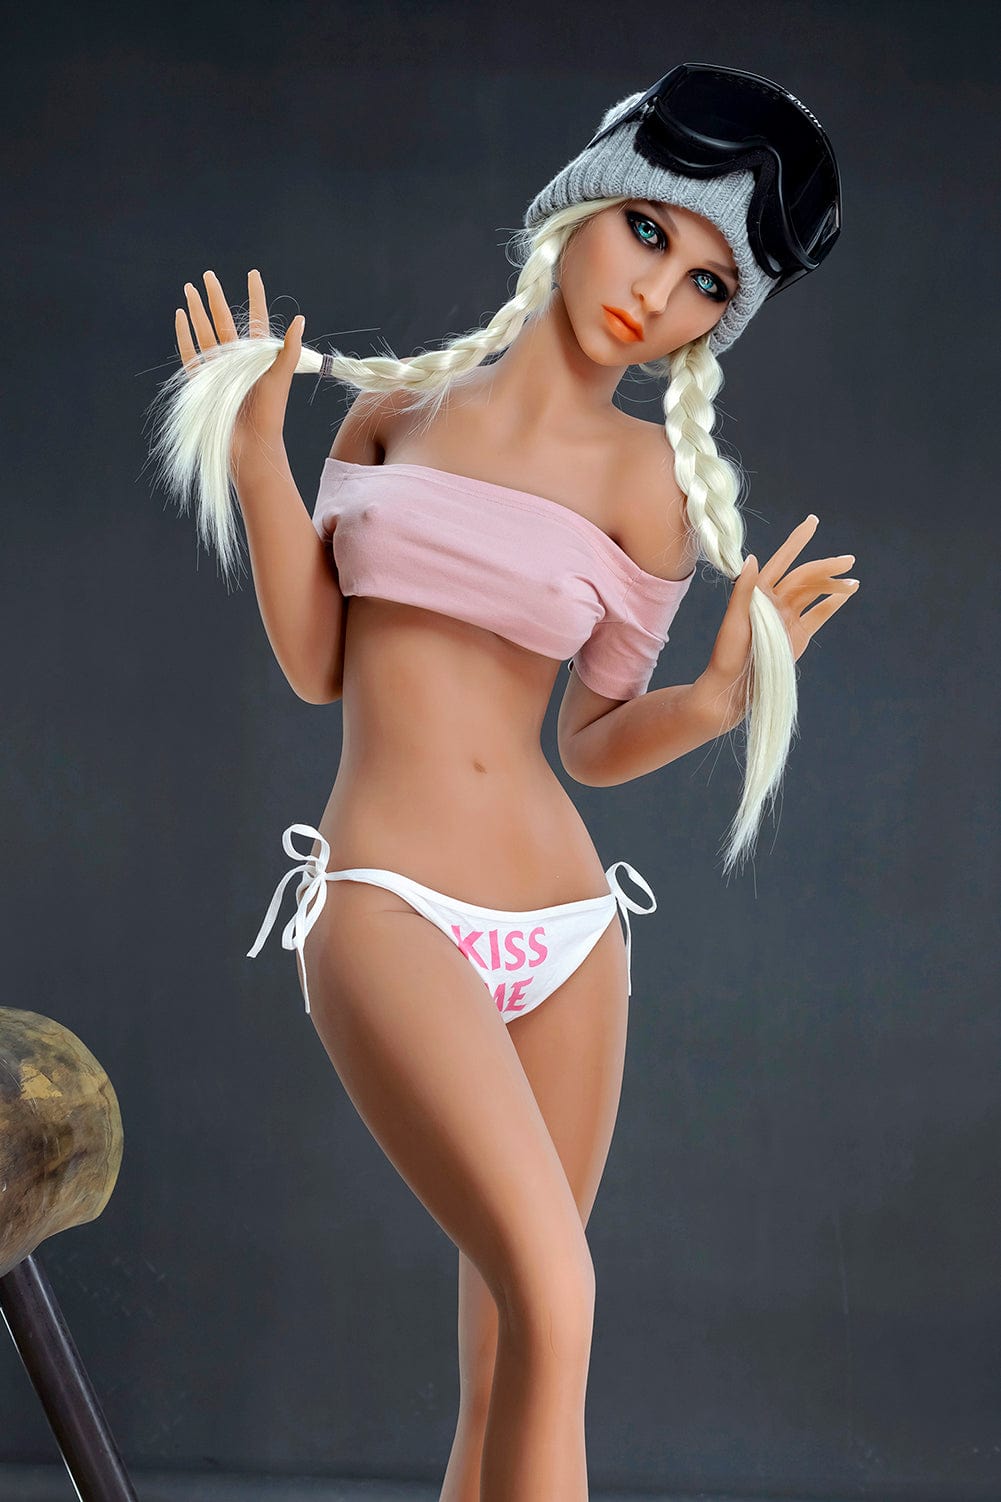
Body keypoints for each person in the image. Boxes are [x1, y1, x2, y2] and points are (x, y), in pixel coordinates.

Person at [146, 62, 857, 1502]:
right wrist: (257, 458)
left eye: (709, 284)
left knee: (512, 1360)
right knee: (558, 1290)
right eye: (649, 230)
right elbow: (319, 664)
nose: (656, 295)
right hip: (384, 901)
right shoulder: (395, 413)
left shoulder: (651, 489)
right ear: (581, 204)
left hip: (570, 934)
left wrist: (716, 701)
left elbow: (590, 741)